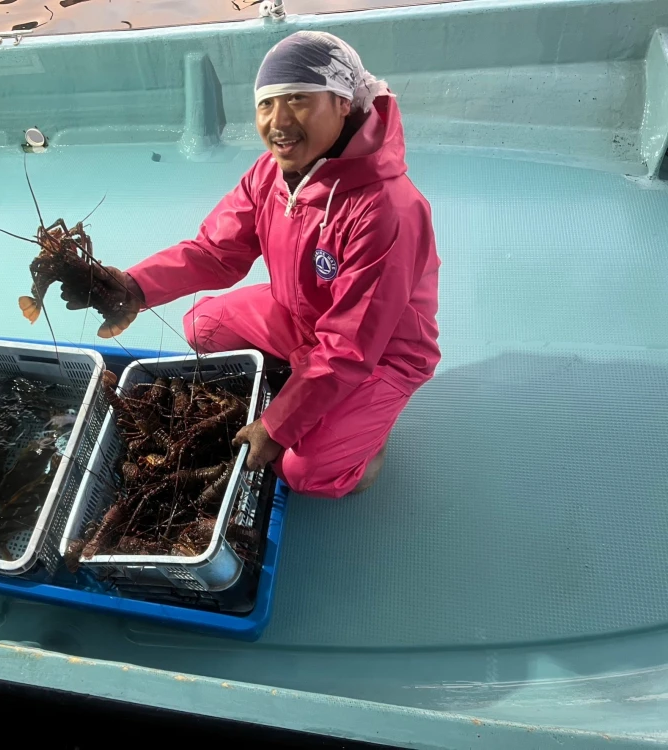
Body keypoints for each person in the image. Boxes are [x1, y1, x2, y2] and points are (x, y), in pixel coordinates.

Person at [63, 31, 441, 499]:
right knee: (202, 326)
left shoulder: (388, 210)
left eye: (298, 99)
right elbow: (214, 252)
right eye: (267, 104)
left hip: (380, 353)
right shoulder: (270, 174)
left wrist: (277, 425)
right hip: (303, 318)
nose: (278, 122)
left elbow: (349, 347)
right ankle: (311, 389)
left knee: (302, 471)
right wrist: (134, 288)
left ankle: (366, 449)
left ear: (344, 102)